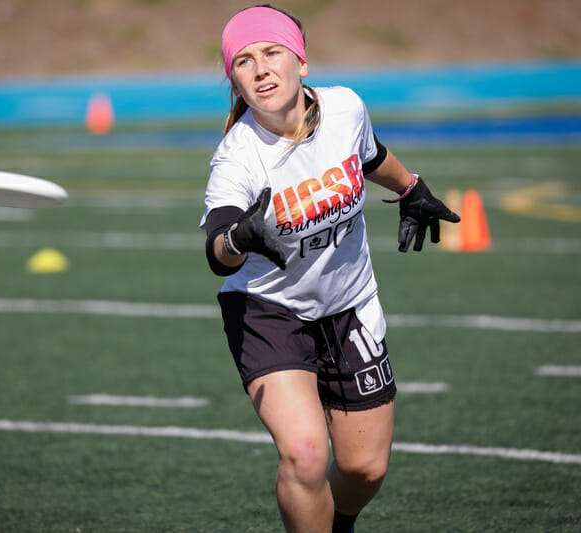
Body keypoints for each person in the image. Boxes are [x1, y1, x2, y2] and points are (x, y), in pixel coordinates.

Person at [200, 5, 460, 532]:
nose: (261, 69)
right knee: (306, 454)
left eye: (273, 53)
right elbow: (216, 249)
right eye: (245, 61)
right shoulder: (237, 156)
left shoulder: (345, 108)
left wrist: (412, 188)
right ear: (234, 79)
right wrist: (240, 238)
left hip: (350, 305)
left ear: (301, 61)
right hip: (268, 311)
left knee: (364, 469)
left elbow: (369, 156)